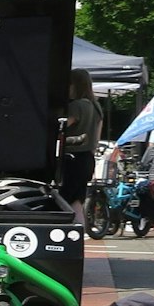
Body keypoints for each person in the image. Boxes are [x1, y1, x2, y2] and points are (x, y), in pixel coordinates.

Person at [60, 68, 102, 209]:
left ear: (75, 85)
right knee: (77, 202)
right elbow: (96, 139)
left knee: (62, 201)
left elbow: (60, 128)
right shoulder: (96, 107)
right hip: (87, 159)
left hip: (71, 160)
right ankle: (80, 230)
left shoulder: (76, 106)